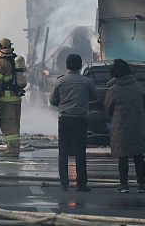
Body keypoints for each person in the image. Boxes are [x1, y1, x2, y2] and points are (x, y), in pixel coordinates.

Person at [49, 53, 97, 191]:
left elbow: (53, 101)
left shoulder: (60, 81)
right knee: (80, 152)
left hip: (64, 119)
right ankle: (82, 184)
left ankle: (64, 182)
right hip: (80, 120)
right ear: (81, 65)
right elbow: (94, 97)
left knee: (63, 152)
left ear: (66, 66)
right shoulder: (87, 82)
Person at [105, 59, 145, 193]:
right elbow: (144, 102)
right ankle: (141, 185)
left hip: (121, 127)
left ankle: (124, 185)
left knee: (123, 156)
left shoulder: (114, 90)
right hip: (138, 125)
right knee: (138, 156)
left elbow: (108, 107)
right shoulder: (138, 86)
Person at [0, 37, 26, 157]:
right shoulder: (16, 59)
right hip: (17, 97)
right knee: (15, 124)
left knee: (7, 124)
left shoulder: (0, 63)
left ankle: (12, 150)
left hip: (6, 99)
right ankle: (15, 148)